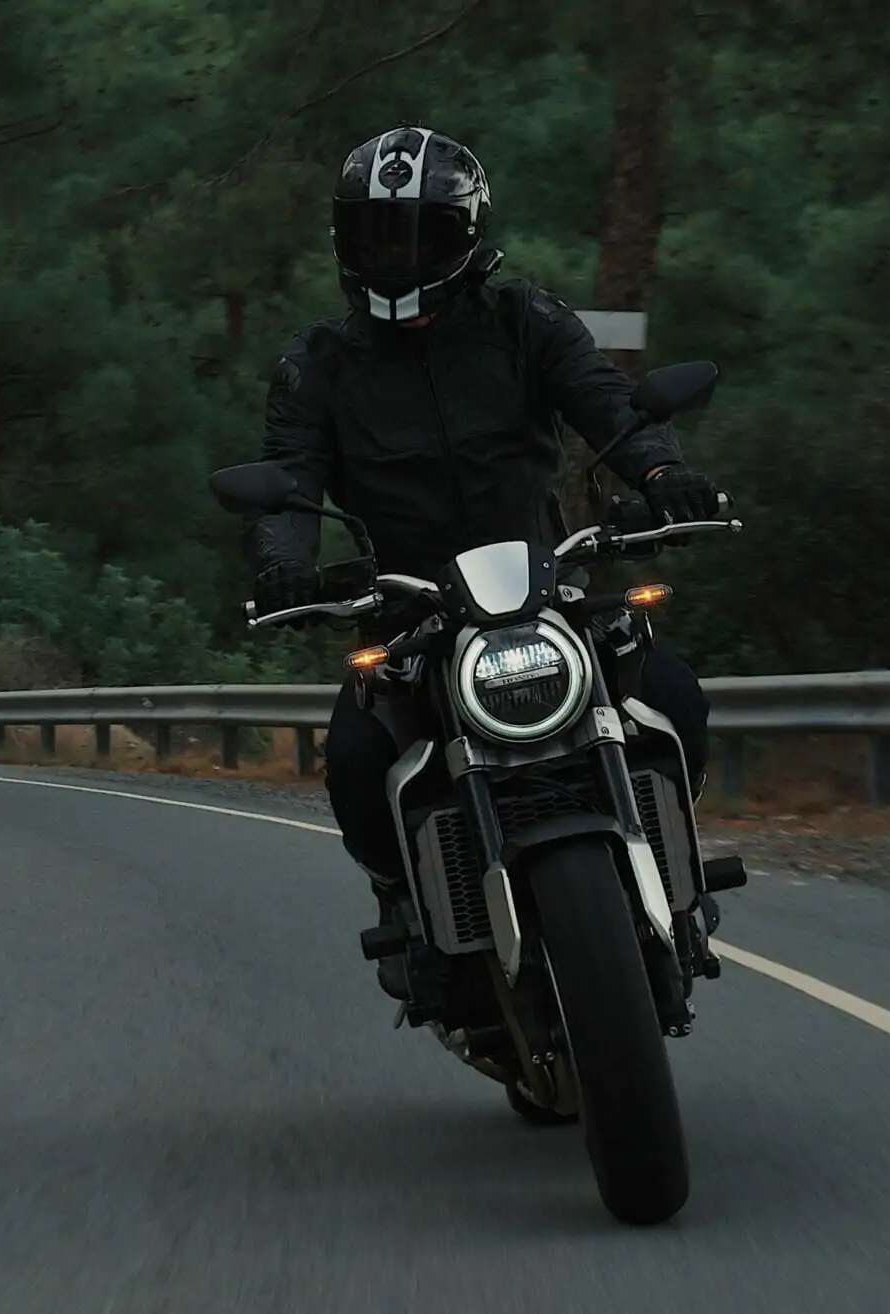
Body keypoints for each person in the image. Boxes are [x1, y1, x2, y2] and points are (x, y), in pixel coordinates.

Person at [247, 126, 727, 985]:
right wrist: (282, 561)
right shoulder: (317, 365)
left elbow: (609, 405)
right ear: (344, 243)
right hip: (409, 611)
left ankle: (675, 874)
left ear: (464, 235)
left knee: (672, 694)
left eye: (419, 235)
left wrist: (664, 473)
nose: (396, 257)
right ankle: (404, 904)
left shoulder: (526, 320)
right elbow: (288, 477)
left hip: (543, 589)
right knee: (358, 757)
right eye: (376, 236)